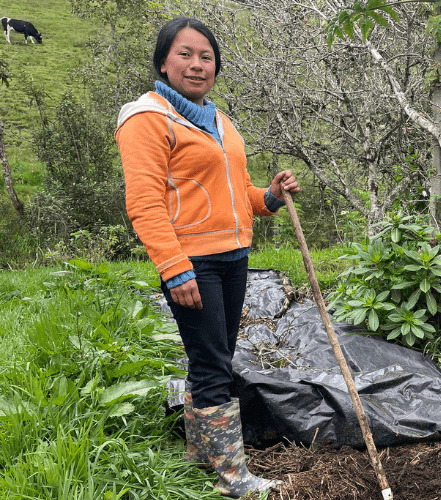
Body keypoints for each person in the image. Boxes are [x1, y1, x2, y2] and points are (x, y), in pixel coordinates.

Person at [115, 17, 296, 498]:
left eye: (206, 56)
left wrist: (271, 196)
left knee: (212, 357)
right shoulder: (146, 118)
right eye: (185, 54)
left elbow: (237, 193)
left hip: (234, 256)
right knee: (215, 363)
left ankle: (202, 453)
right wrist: (174, 268)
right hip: (194, 262)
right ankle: (233, 476)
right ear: (162, 62)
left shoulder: (219, 120)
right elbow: (145, 203)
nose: (197, 64)